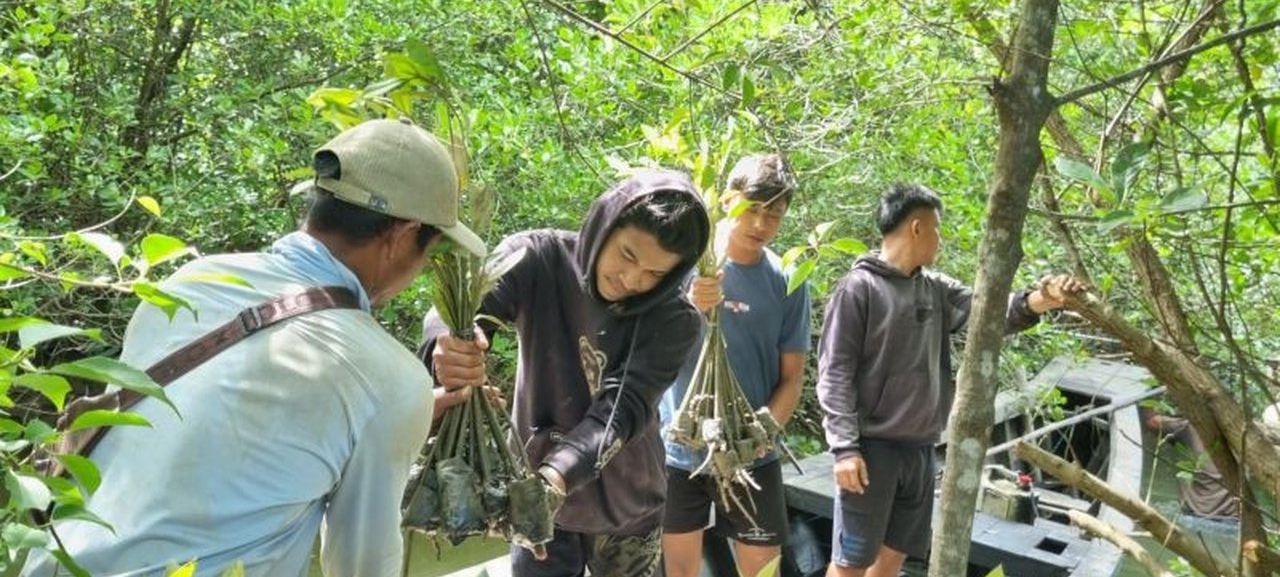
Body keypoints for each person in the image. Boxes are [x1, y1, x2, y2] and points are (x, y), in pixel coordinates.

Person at [23, 118, 485, 577]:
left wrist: (405, 413)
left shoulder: (192, 280)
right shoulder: (389, 377)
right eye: (429, 252)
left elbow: (213, 437)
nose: (420, 268)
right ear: (401, 235)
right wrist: (397, 410)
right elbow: (361, 566)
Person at [424, 170, 711, 577]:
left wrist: (553, 479)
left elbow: (622, 409)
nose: (632, 280)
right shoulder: (538, 257)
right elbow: (458, 308)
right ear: (603, 227)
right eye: (627, 256)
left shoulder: (675, 318)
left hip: (626, 503)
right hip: (534, 494)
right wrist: (449, 341)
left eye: (655, 274)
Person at [816, 183, 1086, 577]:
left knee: (892, 560)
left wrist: (1039, 300)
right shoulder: (859, 288)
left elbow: (989, 311)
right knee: (851, 563)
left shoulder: (935, 288)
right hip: (872, 450)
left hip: (921, 450)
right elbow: (833, 373)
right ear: (916, 227)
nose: (939, 239)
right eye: (937, 229)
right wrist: (844, 449)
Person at [659, 154, 812, 577]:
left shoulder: (787, 279)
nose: (762, 224)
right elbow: (645, 346)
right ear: (727, 200)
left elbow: (792, 376)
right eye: (754, 209)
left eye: (775, 215)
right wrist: (689, 306)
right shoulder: (683, 265)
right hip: (679, 449)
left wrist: (763, 434)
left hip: (752, 454)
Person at [1145, 410, 1240, 521]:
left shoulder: (1188, 428)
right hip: (1236, 519)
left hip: (1198, 516)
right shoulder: (1244, 435)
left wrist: (1147, 407)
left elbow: (1151, 422)